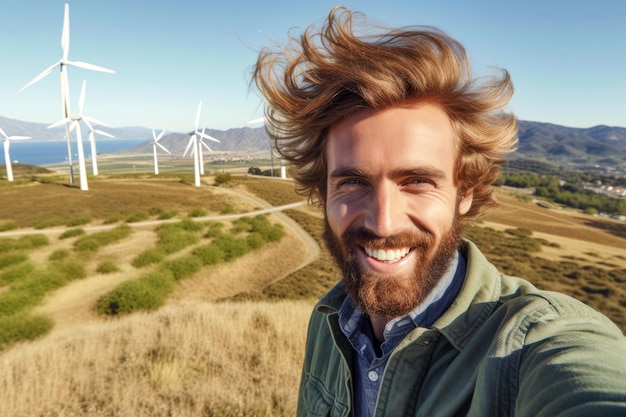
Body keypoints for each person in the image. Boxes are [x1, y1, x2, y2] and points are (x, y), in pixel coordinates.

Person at [253, 6, 626, 417]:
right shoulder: (328, 322)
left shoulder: (530, 342)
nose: (383, 221)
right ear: (323, 196)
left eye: (417, 182)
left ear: (464, 192)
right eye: (353, 182)